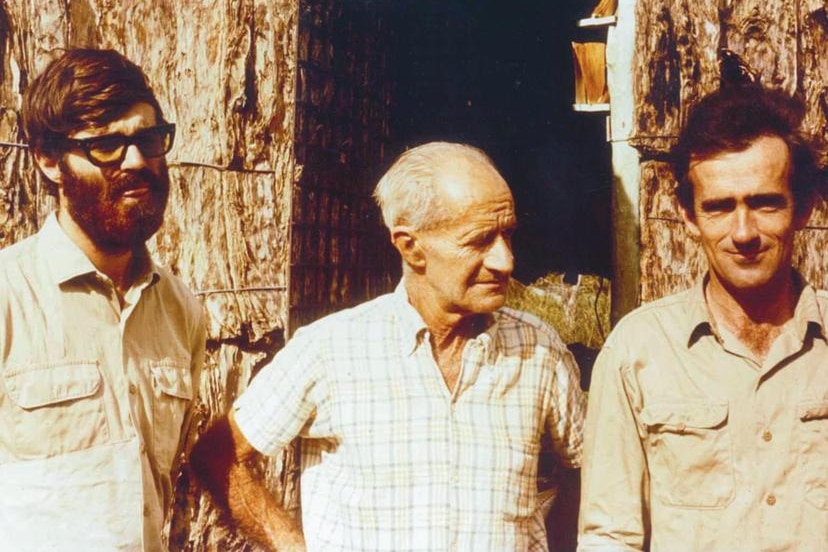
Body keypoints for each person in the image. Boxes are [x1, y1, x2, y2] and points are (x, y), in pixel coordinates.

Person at [190, 141, 587, 551]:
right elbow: (221, 455)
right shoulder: (332, 350)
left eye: (507, 235)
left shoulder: (538, 350)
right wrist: (291, 546)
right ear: (411, 246)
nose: (504, 260)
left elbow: (591, 470)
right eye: (480, 240)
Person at [578, 85, 826, 551]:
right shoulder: (638, 350)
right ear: (688, 217)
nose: (743, 232)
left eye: (764, 203)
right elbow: (610, 536)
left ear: (804, 208)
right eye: (719, 207)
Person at [0, 48, 206, 551]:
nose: (136, 161)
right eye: (107, 145)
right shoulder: (9, 296)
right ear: (49, 160)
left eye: (149, 139)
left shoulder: (180, 311)